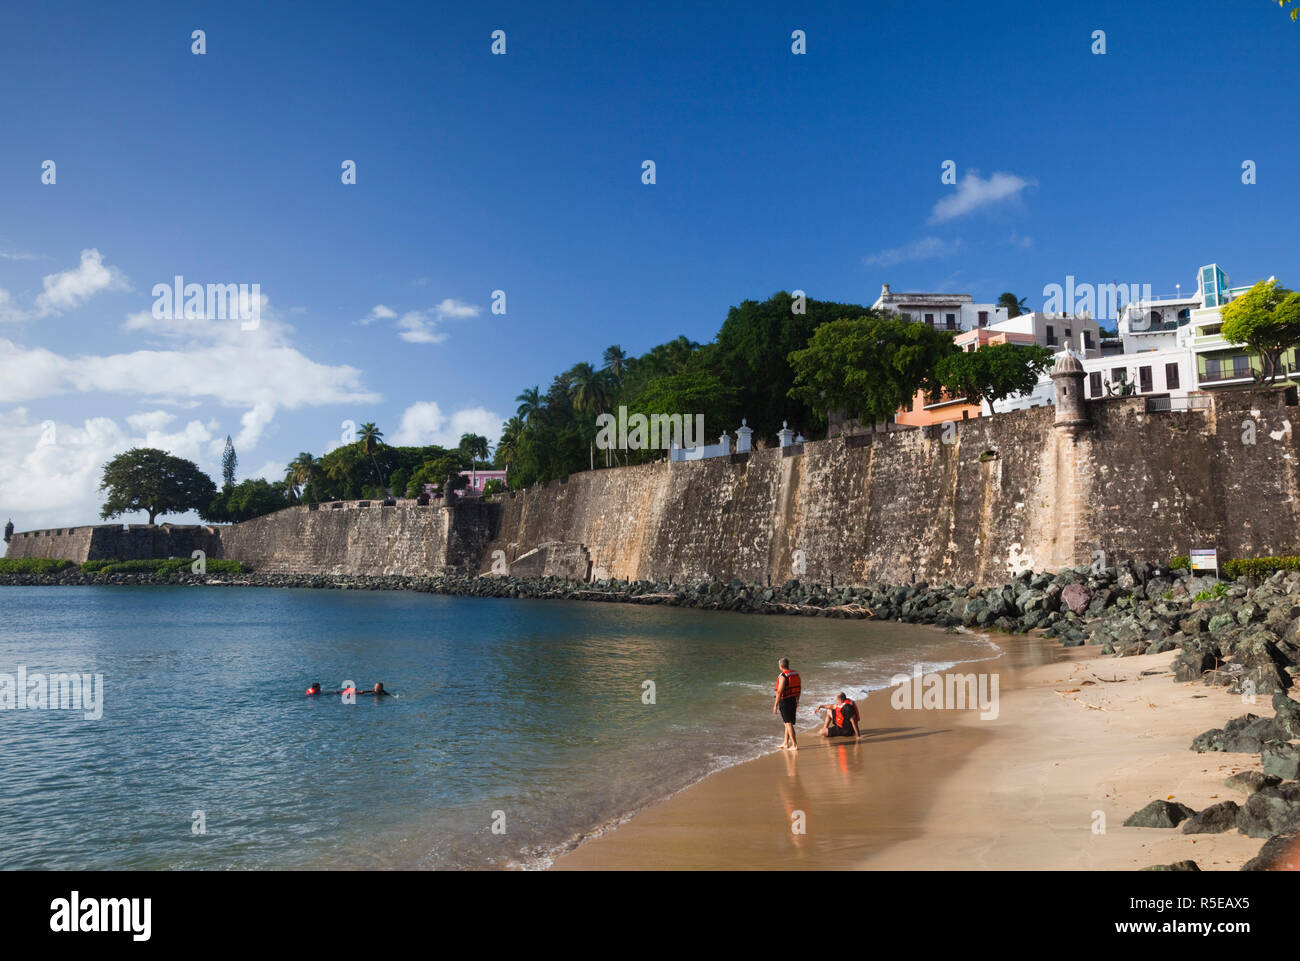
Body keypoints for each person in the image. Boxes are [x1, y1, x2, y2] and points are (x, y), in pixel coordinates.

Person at [772, 658, 801, 750]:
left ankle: (795, 745)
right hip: (792, 699)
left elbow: (779, 691)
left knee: (788, 723)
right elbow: (799, 688)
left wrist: (775, 705)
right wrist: (797, 701)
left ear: (780, 666)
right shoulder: (795, 674)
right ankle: (785, 743)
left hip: (785, 701)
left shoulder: (783, 677)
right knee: (787, 723)